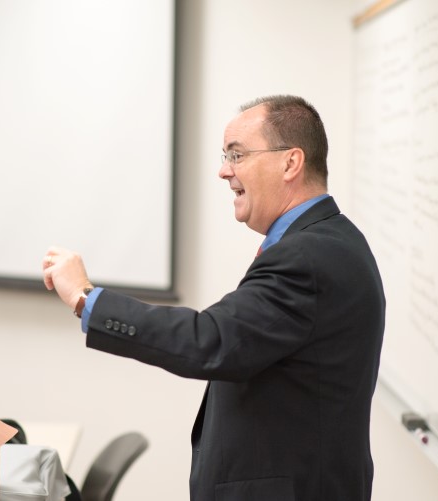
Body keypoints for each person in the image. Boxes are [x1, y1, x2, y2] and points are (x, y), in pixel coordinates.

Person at [42, 95, 385, 501]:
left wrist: (87, 298)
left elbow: (211, 339)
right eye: (225, 155)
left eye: (237, 155)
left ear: (291, 163)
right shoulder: (327, 240)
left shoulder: (307, 257)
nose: (223, 171)